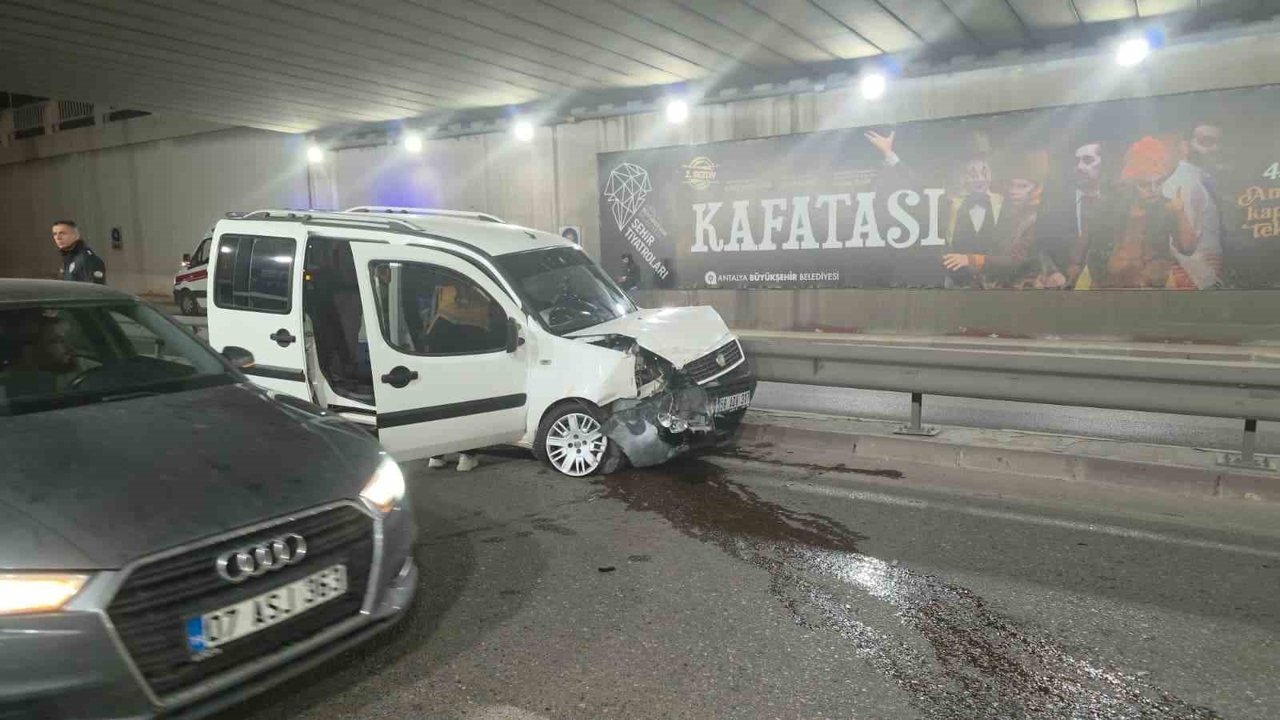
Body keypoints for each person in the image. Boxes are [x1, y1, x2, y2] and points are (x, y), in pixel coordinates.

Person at [942, 151, 1048, 289]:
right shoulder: (949, 205)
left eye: (985, 173)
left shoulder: (1022, 215)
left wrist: (971, 259)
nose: (980, 179)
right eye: (972, 174)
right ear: (961, 177)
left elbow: (1017, 259)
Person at [1104, 136, 1197, 289]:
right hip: (1116, 287)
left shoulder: (1169, 207)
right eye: (1145, 184)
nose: (1153, 190)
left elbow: (1188, 249)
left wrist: (1180, 213)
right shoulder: (1116, 207)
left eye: (1159, 182)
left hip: (1155, 288)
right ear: (1132, 183)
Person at [1163, 123, 1225, 289]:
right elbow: (1184, 246)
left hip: (1202, 276)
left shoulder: (1198, 179)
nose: (1215, 149)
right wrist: (1209, 283)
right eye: (1206, 142)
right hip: (1195, 280)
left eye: (1218, 142)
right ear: (1185, 146)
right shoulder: (1186, 182)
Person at [52, 220, 106, 284]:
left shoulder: (87, 259)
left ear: (76, 235)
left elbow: (95, 287)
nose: (58, 238)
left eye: (62, 233)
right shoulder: (67, 259)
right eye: (55, 234)